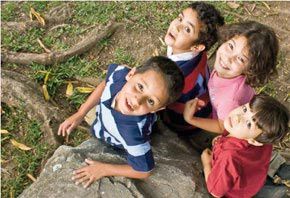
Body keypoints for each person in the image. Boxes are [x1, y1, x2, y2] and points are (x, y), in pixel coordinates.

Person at [58, 56, 184, 188]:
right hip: (101, 125)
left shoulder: (133, 133)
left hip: (115, 142)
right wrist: (81, 113)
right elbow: (106, 83)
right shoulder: (119, 74)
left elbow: (145, 170)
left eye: (151, 101)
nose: (136, 101)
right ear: (131, 74)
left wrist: (104, 169)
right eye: (140, 87)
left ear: (157, 109)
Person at [183, 93, 289, 197]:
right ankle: (269, 186)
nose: (238, 117)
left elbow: (215, 191)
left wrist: (206, 163)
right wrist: (222, 140)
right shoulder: (264, 138)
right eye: (245, 109)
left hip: (239, 191)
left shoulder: (229, 156)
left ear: (254, 141)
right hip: (254, 176)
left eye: (249, 124)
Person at [161, 2, 224, 135]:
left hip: (181, 123)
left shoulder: (175, 76)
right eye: (180, 18)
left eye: (187, 29)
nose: (177, 26)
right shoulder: (197, 53)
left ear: (197, 47)